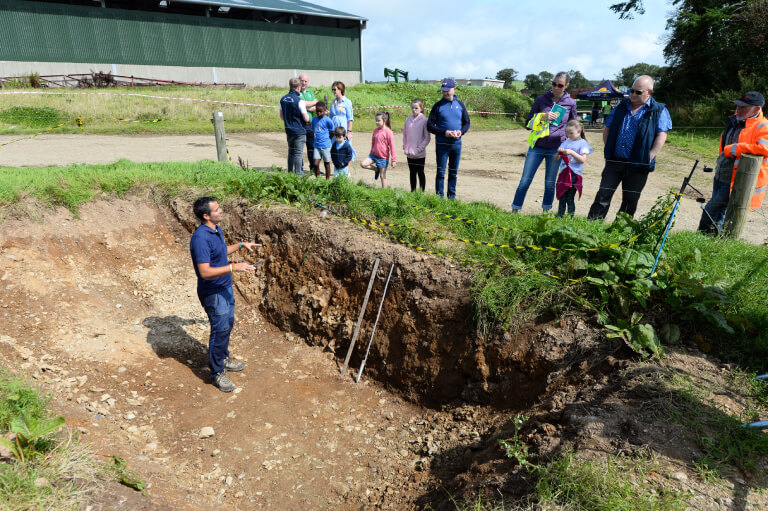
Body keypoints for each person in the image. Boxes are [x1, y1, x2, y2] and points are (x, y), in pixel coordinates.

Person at [189, 197, 261, 393]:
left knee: (227, 325)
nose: (221, 211)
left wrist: (240, 245)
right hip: (213, 292)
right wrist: (233, 267)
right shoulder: (200, 238)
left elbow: (220, 252)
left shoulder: (215, 230)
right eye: (217, 210)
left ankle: (222, 358)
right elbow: (204, 271)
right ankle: (217, 372)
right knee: (219, 330)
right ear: (206, 216)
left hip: (225, 287)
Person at [587, 75, 672, 220]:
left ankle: (620, 231)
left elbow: (661, 134)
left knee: (630, 200)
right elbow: (607, 127)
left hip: (638, 164)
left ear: (649, 92)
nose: (633, 94)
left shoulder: (658, 110)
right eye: (632, 91)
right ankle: (592, 225)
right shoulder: (621, 106)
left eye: (638, 92)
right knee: (603, 195)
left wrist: (650, 155)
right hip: (614, 161)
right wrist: (609, 148)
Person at [698, 91, 768, 234]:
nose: (738, 110)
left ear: (757, 109)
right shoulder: (735, 120)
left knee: (710, 212)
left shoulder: (763, 126)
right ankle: (713, 243)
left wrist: (737, 148)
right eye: (738, 106)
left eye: (743, 107)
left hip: (736, 179)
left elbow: (765, 148)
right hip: (721, 174)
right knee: (719, 213)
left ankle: (701, 240)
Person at [511, 72, 578, 213]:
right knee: (525, 180)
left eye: (560, 85)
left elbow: (574, 125)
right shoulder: (541, 99)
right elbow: (527, 123)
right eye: (554, 84)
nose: (556, 87)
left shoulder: (570, 103)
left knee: (549, 183)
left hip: (555, 149)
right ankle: (515, 210)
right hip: (537, 147)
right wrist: (543, 117)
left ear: (566, 86)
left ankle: (545, 212)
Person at [427, 78, 471, 199]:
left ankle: (451, 198)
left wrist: (461, 132)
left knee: (453, 172)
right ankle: (439, 198)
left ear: (454, 89)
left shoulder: (460, 105)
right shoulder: (437, 106)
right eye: (443, 91)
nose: (445, 93)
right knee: (441, 172)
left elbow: (467, 123)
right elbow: (429, 125)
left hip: (456, 145)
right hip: (442, 145)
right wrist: (444, 133)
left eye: (447, 90)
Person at [554, 120, 593, 216]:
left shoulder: (582, 143)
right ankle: (560, 217)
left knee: (569, 198)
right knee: (562, 196)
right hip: (563, 173)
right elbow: (555, 159)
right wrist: (559, 152)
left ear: (579, 131)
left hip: (574, 174)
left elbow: (582, 160)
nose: (568, 135)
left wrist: (571, 152)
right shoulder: (566, 142)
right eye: (567, 133)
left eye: (571, 133)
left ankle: (570, 217)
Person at [279, 77, 309, 175]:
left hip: (289, 130)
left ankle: (290, 173)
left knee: (291, 152)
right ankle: (298, 174)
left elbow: (281, 116)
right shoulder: (299, 101)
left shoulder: (282, 99)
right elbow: (306, 118)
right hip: (299, 131)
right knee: (298, 154)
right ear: (298, 87)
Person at [360, 111, 397, 187]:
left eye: (378, 120)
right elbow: (373, 143)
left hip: (383, 158)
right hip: (373, 155)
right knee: (363, 164)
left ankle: (385, 192)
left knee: (382, 176)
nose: (376, 122)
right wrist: (371, 153)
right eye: (376, 120)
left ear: (384, 121)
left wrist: (394, 160)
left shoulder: (389, 132)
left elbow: (392, 146)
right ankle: (376, 170)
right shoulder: (375, 131)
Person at [403, 98, 430, 192]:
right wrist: (405, 146)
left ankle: (421, 193)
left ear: (421, 108)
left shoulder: (424, 121)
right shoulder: (407, 120)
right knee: (412, 173)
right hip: (409, 153)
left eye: (416, 108)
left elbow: (427, 138)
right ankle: (413, 192)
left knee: (420, 173)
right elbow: (405, 134)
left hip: (419, 154)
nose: (414, 110)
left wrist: (418, 149)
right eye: (412, 108)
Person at [299, 73, 319, 175]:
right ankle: (300, 169)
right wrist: (311, 104)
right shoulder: (297, 92)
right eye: (302, 80)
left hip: (310, 125)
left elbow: (317, 106)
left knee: (312, 148)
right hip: (301, 125)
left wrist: (306, 105)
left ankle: (313, 168)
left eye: (306, 81)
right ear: (299, 81)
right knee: (300, 148)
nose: (304, 83)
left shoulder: (310, 92)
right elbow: (300, 104)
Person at [311, 102, 335, 180]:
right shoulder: (314, 120)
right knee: (315, 164)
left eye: (320, 111)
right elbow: (313, 130)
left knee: (327, 164)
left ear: (325, 111)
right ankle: (318, 181)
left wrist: (328, 140)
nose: (318, 113)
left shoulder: (328, 121)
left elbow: (332, 132)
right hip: (317, 146)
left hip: (326, 146)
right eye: (317, 111)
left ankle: (327, 181)